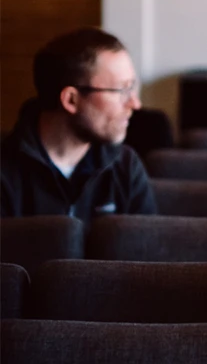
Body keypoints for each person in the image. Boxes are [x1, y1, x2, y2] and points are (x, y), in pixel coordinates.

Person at [1, 28, 156, 222]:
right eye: (121, 90)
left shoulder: (125, 167)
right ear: (71, 100)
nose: (135, 103)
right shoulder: (5, 173)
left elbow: (146, 250)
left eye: (132, 87)